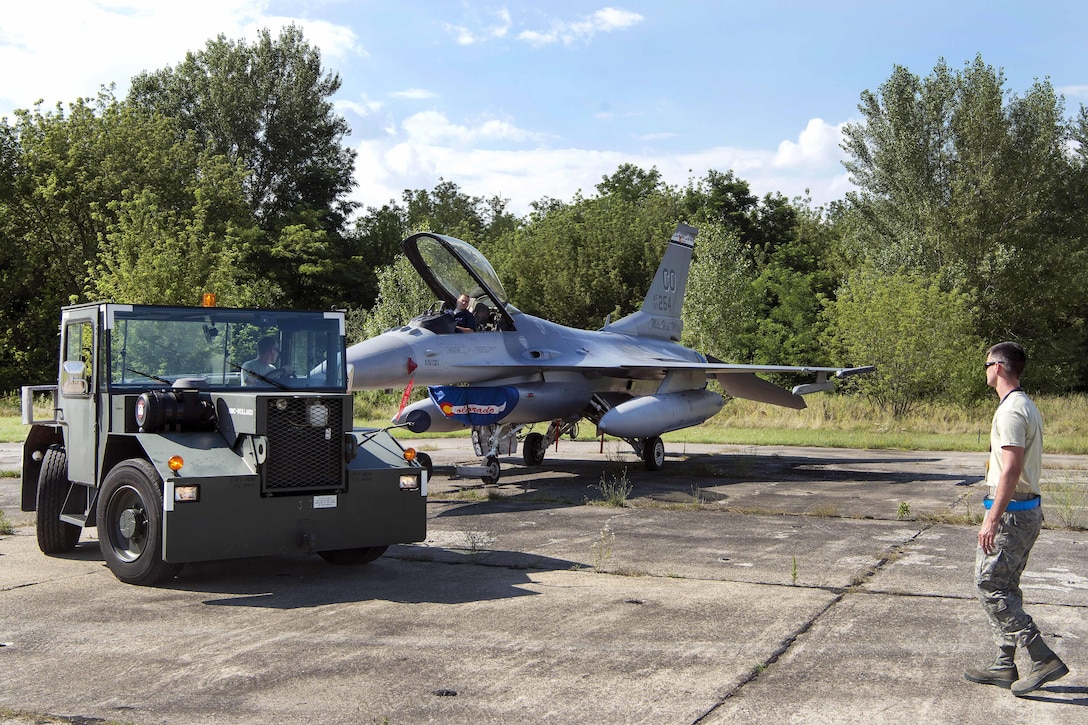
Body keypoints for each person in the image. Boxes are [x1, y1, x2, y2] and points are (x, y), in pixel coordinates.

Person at [964, 341, 1068, 696]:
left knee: (989, 584)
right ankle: (1004, 664)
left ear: (999, 367)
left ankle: (1041, 657)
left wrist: (992, 519)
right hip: (1024, 510)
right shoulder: (1023, 405)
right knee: (1005, 585)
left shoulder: (1010, 411)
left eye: (986, 365)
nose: (985, 371)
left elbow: (1010, 469)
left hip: (1011, 513)